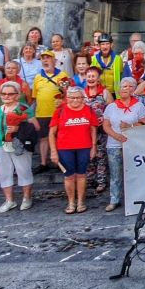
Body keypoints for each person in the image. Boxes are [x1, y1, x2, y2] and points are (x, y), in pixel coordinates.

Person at [0, 81, 36, 213]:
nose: (6, 96)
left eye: (10, 94)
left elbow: (35, 127)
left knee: (23, 170)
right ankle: (9, 200)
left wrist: (18, 128)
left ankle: (27, 198)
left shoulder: (24, 108)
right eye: (3, 94)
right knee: (4, 173)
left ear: (17, 95)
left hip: (18, 143)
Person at [49, 86, 99, 214]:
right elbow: (52, 132)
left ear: (83, 98)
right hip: (65, 148)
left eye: (78, 97)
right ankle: (71, 202)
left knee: (82, 175)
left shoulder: (89, 110)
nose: (75, 100)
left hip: (84, 146)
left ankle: (81, 201)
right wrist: (53, 152)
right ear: (67, 98)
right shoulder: (60, 111)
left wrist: (94, 146)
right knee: (69, 176)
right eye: (71, 98)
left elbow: (93, 129)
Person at [102, 77, 145, 212]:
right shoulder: (111, 106)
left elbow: (144, 124)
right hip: (114, 145)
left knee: (134, 172)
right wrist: (116, 135)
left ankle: (136, 198)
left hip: (133, 145)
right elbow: (106, 125)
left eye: (128, 87)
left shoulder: (138, 105)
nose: (124, 89)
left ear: (133, 89)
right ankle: (114, 199)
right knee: (115, 173)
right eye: (123, 86)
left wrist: (130, 126)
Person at [32, 49, 70, 173]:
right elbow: (34, 96)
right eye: (43, 58)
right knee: (43, 139)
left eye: (48, 58)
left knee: (60, 138)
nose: (45, 60)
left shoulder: (62, 75)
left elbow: (66, 93)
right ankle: (43, 163)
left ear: (54, 61)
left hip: (58, 113)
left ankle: (61, 163)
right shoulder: (38, 77)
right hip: (41, 113)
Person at [83, 66, 113, 195]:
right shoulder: (82, 93)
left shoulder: (105, 93)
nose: (91, 79)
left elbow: (112, 110)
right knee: (88, 155)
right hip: (85, 130)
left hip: (101, 130)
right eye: (88, 76)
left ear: (98, 78)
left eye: (93, 76)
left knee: (101, 155)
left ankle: (101, 181)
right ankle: (90, 179)